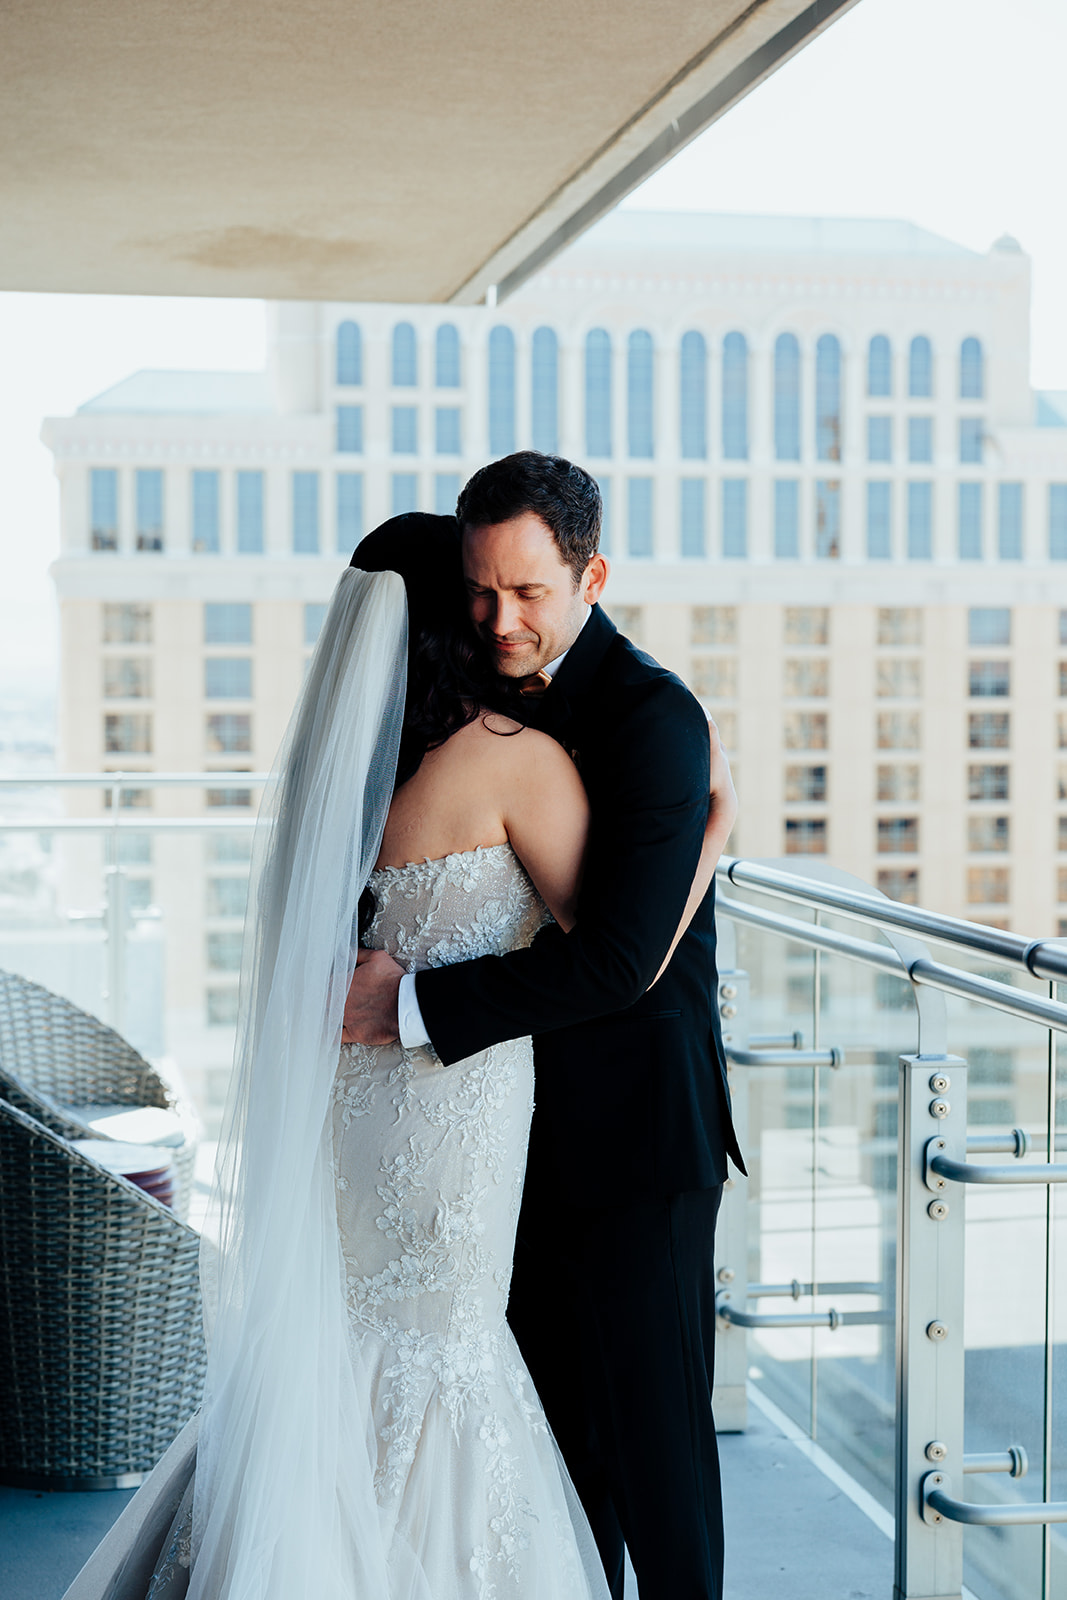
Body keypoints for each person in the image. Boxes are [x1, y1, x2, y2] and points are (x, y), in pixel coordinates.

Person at [62, 513, 613, 1600]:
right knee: (440, 1349)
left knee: (356, 1339)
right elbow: (620, 948)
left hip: (351, 1112)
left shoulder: (341, 769)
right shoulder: (518, 765)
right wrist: (712, 821)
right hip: (452, 1110)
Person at [344, 454, 745, 1600]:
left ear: (590, 574)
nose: (499, 618)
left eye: (526, 592)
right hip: (499, 1147)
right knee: (556, 1469)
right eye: (480, 591)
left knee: (659, 1464)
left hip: (636, 1145)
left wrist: (412, 1003)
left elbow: (619, 959)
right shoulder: (467, 703)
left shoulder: (653, 716)